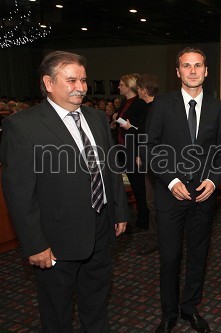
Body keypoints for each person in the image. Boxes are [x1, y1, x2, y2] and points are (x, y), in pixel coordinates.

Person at [0, 51, 129, 332]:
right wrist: (35, 244)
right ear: (48, 83)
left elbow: (109, 169)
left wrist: (119, 209)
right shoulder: (23, 126)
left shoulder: (96, 118)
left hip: (101, 229)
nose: (80, 87)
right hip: (56, 239)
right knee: (57, 313)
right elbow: (19, 194)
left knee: (96, 305)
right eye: (71, 80)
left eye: (83, 80)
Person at [145, 47, 221, 333]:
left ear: (206, 71)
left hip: (204, 194)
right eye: (186, 66)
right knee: (169, 257)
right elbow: (150, 147)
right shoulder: (162, 104)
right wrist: (171, 180)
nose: (192, 71)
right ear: (178, 71)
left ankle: (189, 308)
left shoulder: (219, 108)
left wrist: (214, 179)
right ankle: (168, 313)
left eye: (198, 66)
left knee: (198, 254)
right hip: (170, 194)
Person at [116, 73, 149, 231]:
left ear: (129, 86)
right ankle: (136, 219)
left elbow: (143, 131)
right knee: (132, 187)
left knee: (139, 187)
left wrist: (129, 128)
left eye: (121, 84)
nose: (119, 87)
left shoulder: (139, 103)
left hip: (135, 151)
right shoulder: (124, 103)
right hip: (124, 149)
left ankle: (144, 221)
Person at [136, 74, 160, 255]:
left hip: (155, 160)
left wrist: (142, 155)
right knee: (151, 199)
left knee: (153, 199)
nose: (137, 91)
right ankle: (155, 234)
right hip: (150, 158)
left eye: (138, 88)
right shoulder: (148, 107)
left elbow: (149, 136)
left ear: (144, 89)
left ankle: (157, 237)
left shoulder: (156, 107)